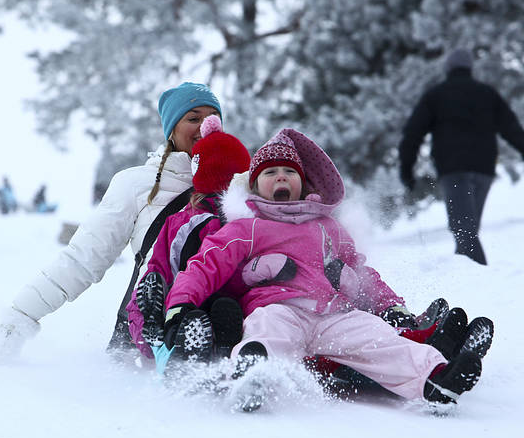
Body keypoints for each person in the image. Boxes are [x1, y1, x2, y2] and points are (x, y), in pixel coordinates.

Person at [163, 128, 484, 406]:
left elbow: (361, 272)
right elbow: (206, 264)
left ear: (303, 184)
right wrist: (180, 305)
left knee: (378, 338)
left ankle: (435, 377)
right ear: (256, 186)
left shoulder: (328, 227)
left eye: (289, 173)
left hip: (335, 315)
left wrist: (390, 305)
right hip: (279, 308)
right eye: (270, 174)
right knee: (267, 332)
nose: (281, 178)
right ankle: (252, 375)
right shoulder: (247, 227)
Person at [0, 82, 222, 364]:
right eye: (193, 118)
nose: (205, 127)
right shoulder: (135, 185)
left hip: (224, 327)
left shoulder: (241, 185)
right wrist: (20, 317)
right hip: (151, 329)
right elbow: (83, 259)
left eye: (212, 118)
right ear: (171, 129)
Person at [398, 48, 524, 265]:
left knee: (464, 231)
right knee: (467, 231)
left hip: (453, 170)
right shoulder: (487, 94)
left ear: (448, 68)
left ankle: (482, 280)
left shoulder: (436, 95)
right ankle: (467, 282)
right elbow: (513, 129)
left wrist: (406, 169)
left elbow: (412, 134)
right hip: (483, 171)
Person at [126, 114, 250, 368]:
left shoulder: (181, 222)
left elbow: (157, 270)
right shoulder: (252, 224)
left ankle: (166, 347)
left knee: (167, 300)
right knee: (226, 310)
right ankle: (217, 359)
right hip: (230, 311)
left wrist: (142, 326)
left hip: (183, 306)